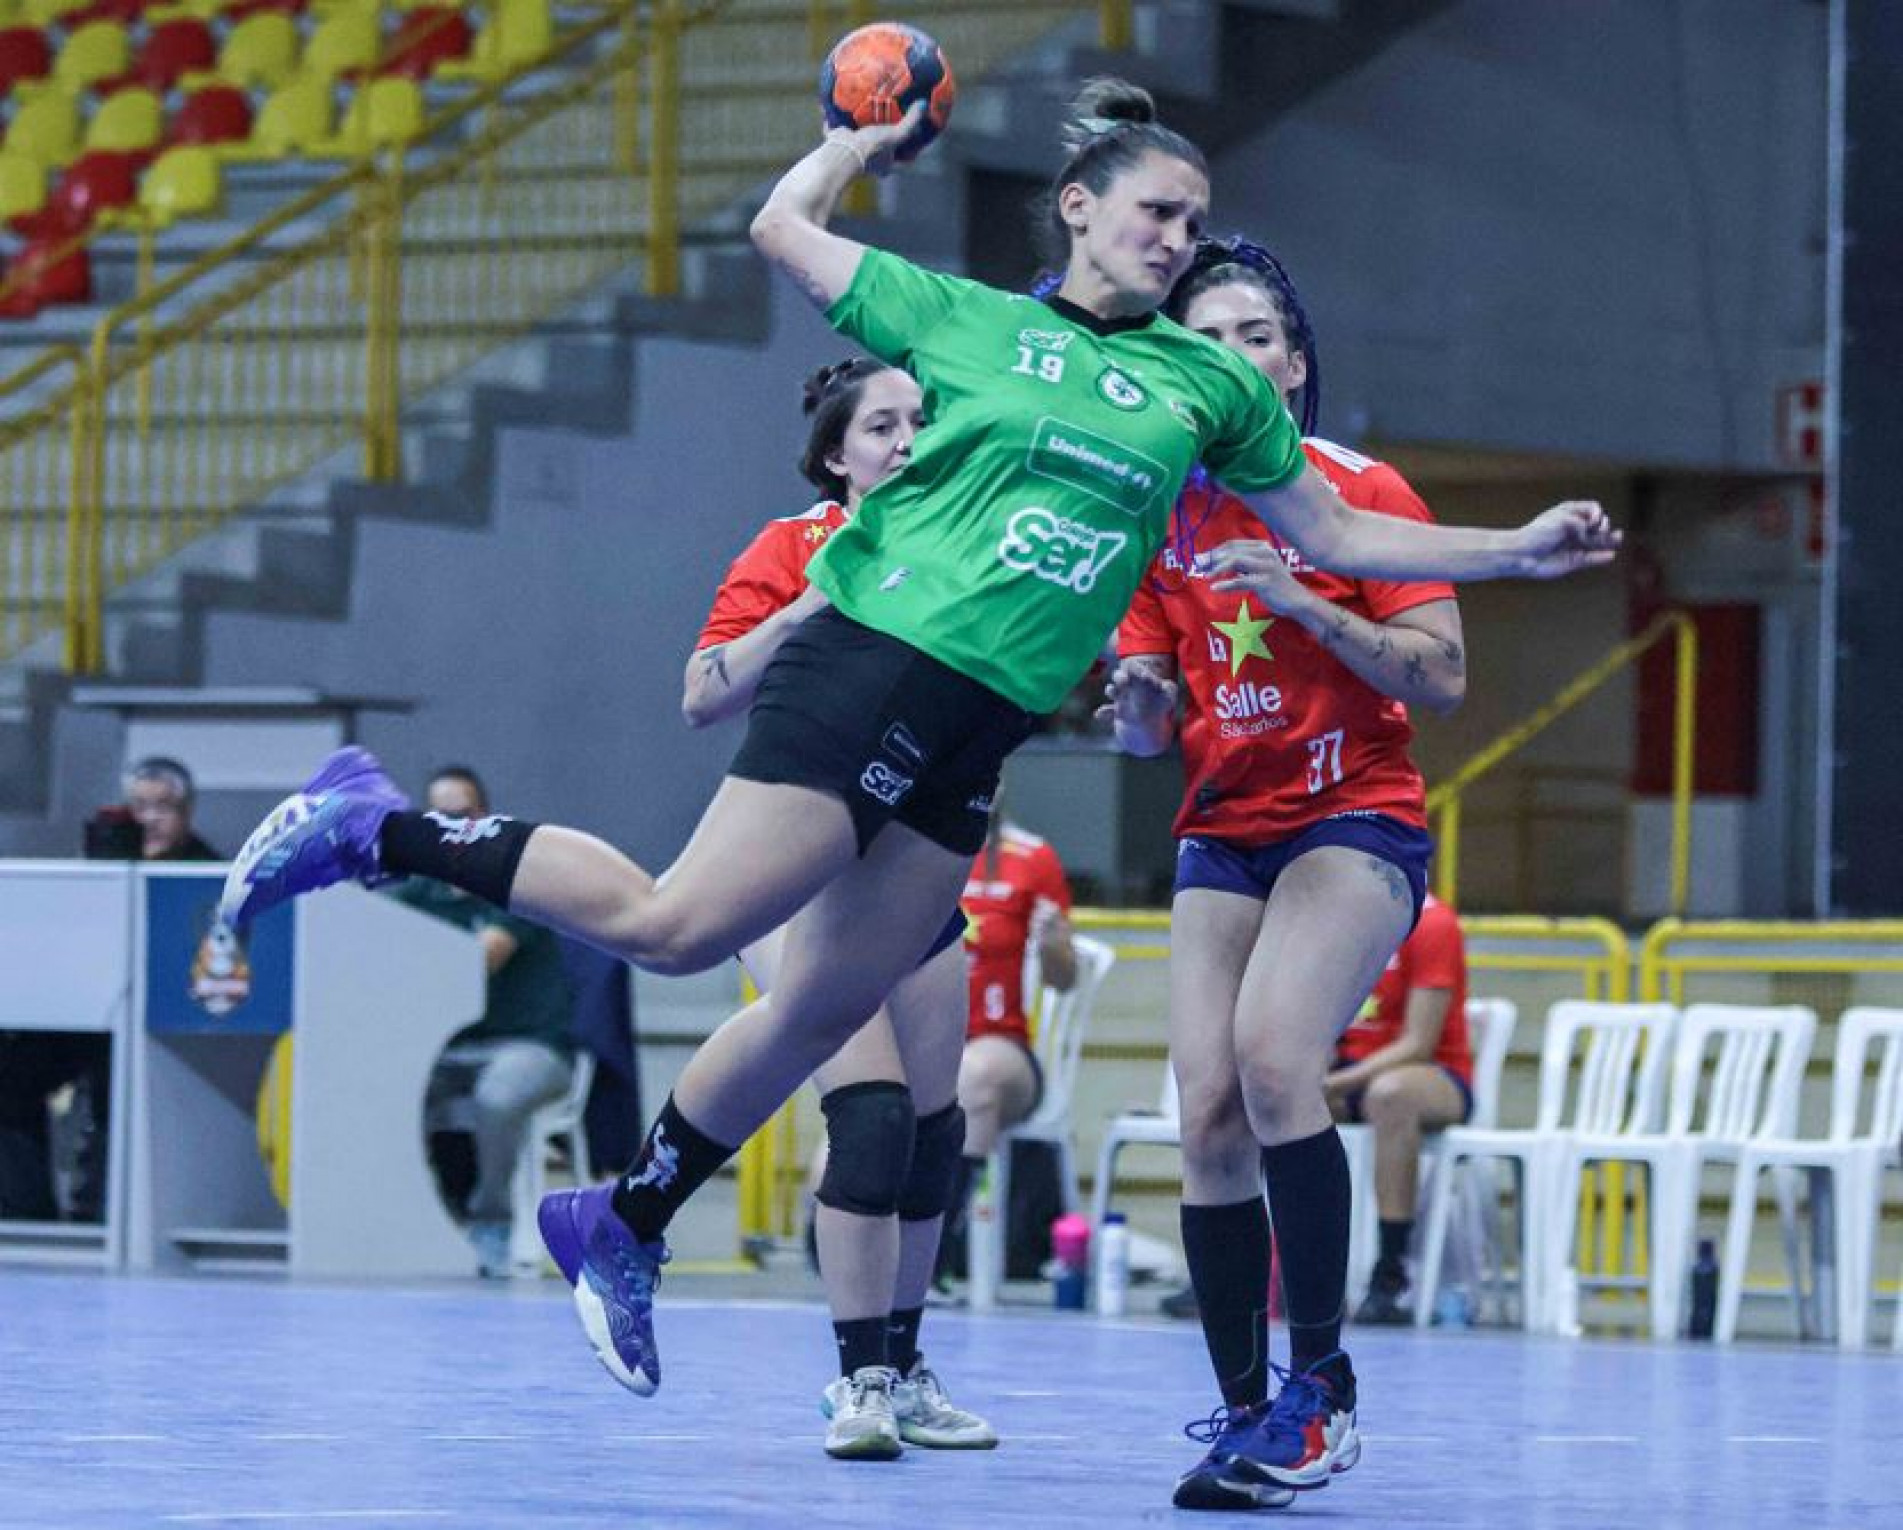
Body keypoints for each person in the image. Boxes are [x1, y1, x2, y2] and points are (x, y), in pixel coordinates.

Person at [218, 77, 1617, 1419]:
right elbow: (779, 231)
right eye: (1156, 213)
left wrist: (1510, 548)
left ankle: (621, 1217)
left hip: (976, 729)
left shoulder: (1206, 384)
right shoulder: (963, 323)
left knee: (825, 1006)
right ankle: (367, 822)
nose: (1179, 239)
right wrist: (849, 144)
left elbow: (1335, 532)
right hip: (876, 659)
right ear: (1076, 206)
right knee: (675, 925)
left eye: (1195, 223)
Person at [1107, 234, 1471, 1510]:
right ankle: (1247, 1411)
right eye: (1203, 339)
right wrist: (1133, 702)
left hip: (1354, 816)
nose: (1231, 357)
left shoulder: (1361, 494)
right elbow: (1148, 719)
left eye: (1253, 334)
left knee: (1275, 1061)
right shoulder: (1158, 512)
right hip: (1224, 828)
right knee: (1204, 1107)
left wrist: (1311, 603)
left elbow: (1441, 674)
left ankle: (1321, 1393)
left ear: (1293, 362)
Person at [677, 356, 995, 1458]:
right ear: (836, 454)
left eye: (922, 421)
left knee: (933, 1132)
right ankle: (856, 1379)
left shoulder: (966, 551)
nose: (906, 439)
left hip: (913, 876)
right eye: (883, 425)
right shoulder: (792, 548)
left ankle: (904, 1369)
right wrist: (808, 612)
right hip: (797, 881)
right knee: (869, 1113)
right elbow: (702, 695)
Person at [398, 765, 576, 1278]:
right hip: (447, 1051)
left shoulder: (515, 883)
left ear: (484, 818)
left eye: (460, 815)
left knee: (497, 1097)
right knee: (386, 1088)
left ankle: (491, 1218)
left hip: (531, 1047)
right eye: (436, 818)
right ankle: (420, 1217)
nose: (447, 828)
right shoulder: (417, 895)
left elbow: (480, 960)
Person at [940, 800, 1076, 1273]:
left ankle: (941, 1254)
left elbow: (1064, 978)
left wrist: (1054, 946)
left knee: (972, 1079)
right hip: (924, 1040)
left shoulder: (1032, 858)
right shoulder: (913, 844)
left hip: (1002, 1047)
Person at [1329, 891, 1471, 1325]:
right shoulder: (1337, 919)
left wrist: (1334, 1082)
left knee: (1389, 1097)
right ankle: (1247, 1270)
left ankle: (1391, 1274)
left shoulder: (1433, 924)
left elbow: (1418, 1043)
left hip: (1431, 1074)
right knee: (1263, 1093)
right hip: (1347, 1071)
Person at [126, 756, 220, 861]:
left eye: (163, 807)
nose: (150, 819)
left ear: (186, 811)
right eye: (140, 807)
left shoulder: (207, 868)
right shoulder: (109, 858)